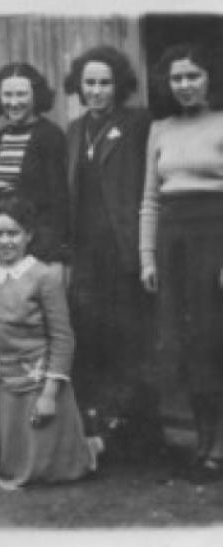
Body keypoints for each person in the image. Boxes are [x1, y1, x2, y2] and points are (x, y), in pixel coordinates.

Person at [63, 45, 160, 458]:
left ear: (118, 85)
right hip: (85, 255)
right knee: (91, 340)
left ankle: (141, 437)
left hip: (123, 252)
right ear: (79, 87)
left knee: (130, 342)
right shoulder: (74, 129)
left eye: (105, 83)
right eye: (90, 83)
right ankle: (100, 431)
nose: (97, 91)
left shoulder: (138, 123)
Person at [0, 196, 102, 489]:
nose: (5, 241)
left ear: (28, 235)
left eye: (13, 233)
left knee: (51, 471)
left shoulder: (44, 276)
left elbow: (62, 337)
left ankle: (83, 444)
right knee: (12, 466)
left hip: (41, 382)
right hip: (8, 382)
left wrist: (48, 395)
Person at [140, 43, 223, 483]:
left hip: (215, 238)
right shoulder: (160, 128)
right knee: (184, 343)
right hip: (173, 243)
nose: (185, 85)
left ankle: (219, 442)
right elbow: (150, 199)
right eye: (177, 78)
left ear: (209, 76)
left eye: (193, 76)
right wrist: (147, 256)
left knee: (214, 340)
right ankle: (202, 437)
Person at [0, 63, 69, 259]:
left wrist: (48, 247)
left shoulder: (50, 135)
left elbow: (58, 199)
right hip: (5, 242)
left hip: (38, 244)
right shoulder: (1, 136)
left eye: (21, 95)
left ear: (36, 96)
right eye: (7, 95)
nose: (13, 103)